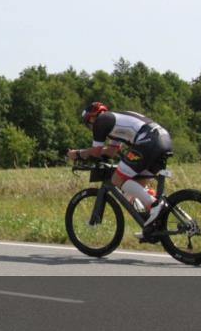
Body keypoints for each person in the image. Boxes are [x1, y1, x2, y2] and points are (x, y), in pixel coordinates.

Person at [66, 102, 173, 239]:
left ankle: (155, 205)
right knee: (133, 191)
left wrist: (77, 154)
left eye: (89, 122)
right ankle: (152, 226)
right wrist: (88, 154)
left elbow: (96, 152)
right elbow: (111, 151)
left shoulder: (102, 121)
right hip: (162, 139)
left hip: (149, 140)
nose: (90, 125)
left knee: (117, 179)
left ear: (93, 117)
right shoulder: (113, 123)